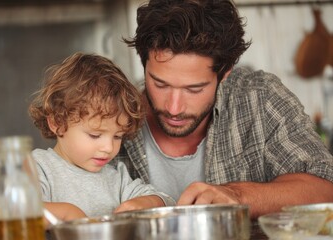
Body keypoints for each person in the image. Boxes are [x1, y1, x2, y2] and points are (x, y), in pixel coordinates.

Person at [113, 0, 333, 219]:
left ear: (225, 72)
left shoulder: (260, 98)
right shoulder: (110, 112)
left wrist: (237, 195)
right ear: (144, 64)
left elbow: (326, 188)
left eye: (194, 89)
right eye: (160, 84)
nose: (174, 107)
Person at [28, 52, 175, 220]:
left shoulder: (116, 177)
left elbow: (166, 200)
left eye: (117, 136)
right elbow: (18, 210)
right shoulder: (39, 167)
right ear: (57, 123)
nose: (108, 148)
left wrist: (143, 203)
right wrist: (69, 213)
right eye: (95, 135)